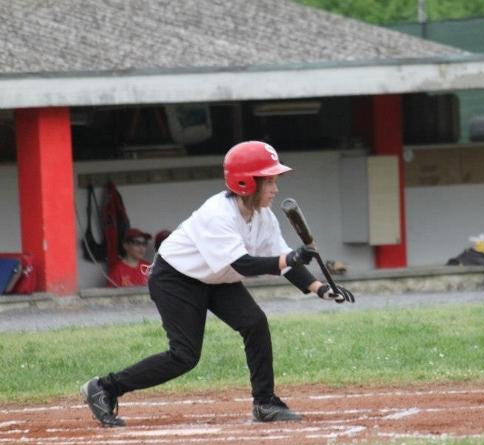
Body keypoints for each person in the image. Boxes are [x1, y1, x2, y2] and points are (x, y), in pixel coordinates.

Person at [80, 140, 354, 427]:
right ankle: (104, 388)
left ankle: (265, 403)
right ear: (246, 182)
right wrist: (290, 258)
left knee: (255, 323)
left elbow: (283, 261)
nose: (276, 188)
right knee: (184, 356)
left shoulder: (264, 216)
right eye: (269, 181)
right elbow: (243, 264)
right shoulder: (218, 214)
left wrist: (320, 288)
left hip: (215, 277)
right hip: (177, 278)